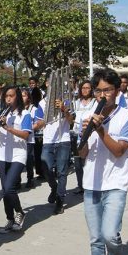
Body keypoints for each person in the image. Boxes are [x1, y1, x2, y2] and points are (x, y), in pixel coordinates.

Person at [78, 68, 128, 255]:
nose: (103, 95)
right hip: (91, 184)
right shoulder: (88, 116)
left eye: (108, 90)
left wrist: (100, 130)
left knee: (110, 235)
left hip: (115, 184)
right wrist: (84, 135)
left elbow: (119, 151)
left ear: (117, 90)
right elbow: (82, 154)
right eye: (99, 91)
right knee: (95, 239)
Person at [0, 86, 31, 233]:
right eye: (6, 96)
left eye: (11, 96)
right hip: (2, 154)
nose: (8, 99)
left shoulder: (25, 114)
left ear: (18, 97)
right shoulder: (1, 113)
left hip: (18, 154)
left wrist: (8, 128)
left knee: (9, 187)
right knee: (5, 191)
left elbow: (26, 135)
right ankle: (9, 219)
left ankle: (20, 212)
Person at [38, 82, 74, 215]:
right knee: (45, 166)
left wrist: (64, 109)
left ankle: (60, 200)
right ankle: (54, 187)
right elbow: (40, 123)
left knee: (62, 172)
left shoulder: (67, 101)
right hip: (48, 140)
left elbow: (71, 122)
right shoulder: (42, 103)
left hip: (63, 140)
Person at [71, 81, 96, 194]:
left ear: (91, 89)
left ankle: (89, 184)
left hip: (90, 135)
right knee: (77, 162)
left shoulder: (95, 102)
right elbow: (71, 117)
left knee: (88, 161)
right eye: (83, 88)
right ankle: (80, 185)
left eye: (88, 88)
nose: (85, 90)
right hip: (76, 135)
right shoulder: (76, 103)